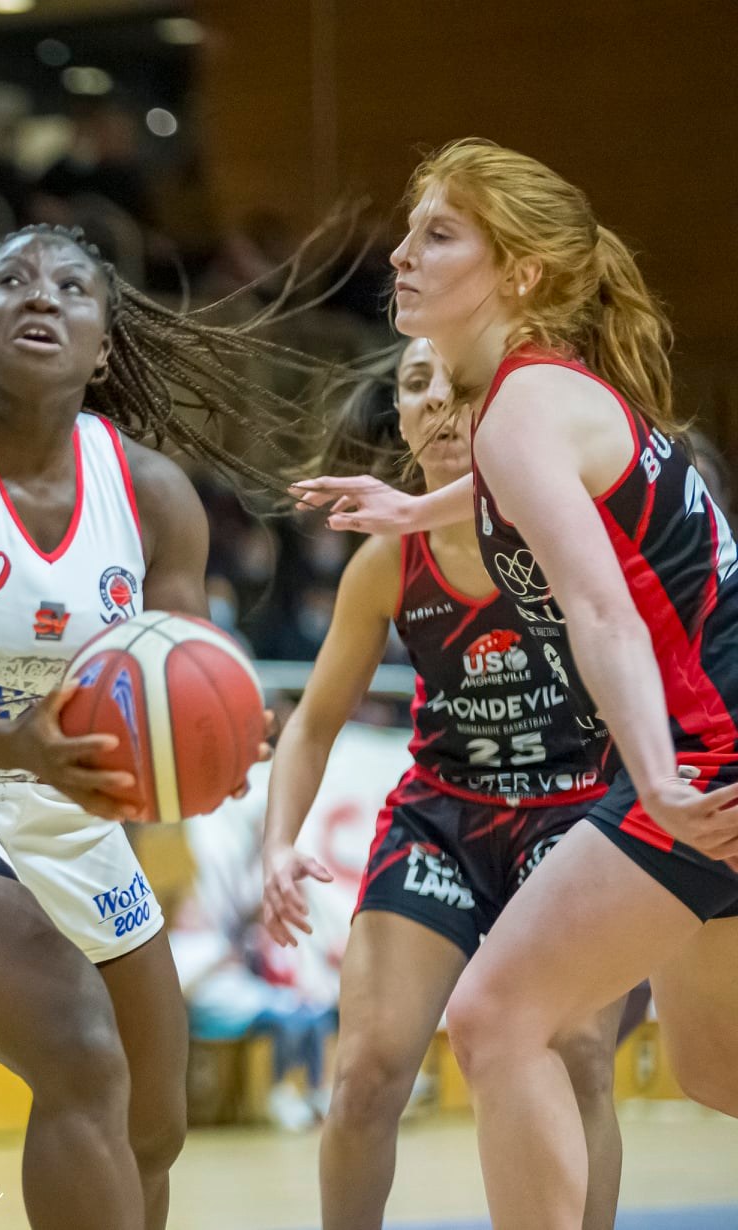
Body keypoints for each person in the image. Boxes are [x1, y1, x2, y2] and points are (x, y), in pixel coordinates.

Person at [0, 223, 325, 1230]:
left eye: (73, 287)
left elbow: (187, 676)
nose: (41, 297)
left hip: (59, 800)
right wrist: (13, 744)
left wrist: (230, 735)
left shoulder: (153, 497)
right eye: (12, 280)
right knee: (77, 1047)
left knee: (153, 1121)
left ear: (104, 346)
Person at [295, 138, 738, 1230]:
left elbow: (603, 610)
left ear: (523, 274)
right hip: (710, 737)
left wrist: (658, 783)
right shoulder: (539, 401)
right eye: (409, 232)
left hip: (707, 751)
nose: (400, 254)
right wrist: (415, 511)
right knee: (716, 1067)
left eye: (438, 235)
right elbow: (544, 488)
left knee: (496, 1018)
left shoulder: (523, 408)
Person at [263, 338, 621, 1230]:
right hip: (443, 819)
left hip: (575, 810)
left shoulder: (569, 525)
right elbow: (313, 722)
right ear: (401, 415)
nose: (438, 400)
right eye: (416, 384)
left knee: (580, 1054)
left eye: (461, 383)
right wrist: (277, 844)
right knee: (365, 1074)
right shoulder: (388, 561)